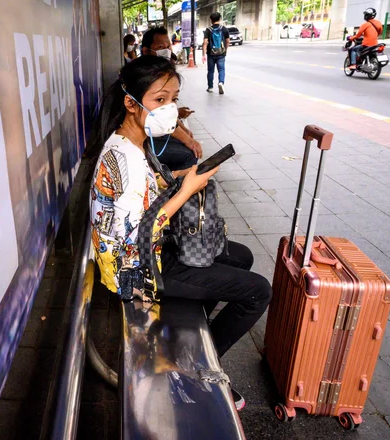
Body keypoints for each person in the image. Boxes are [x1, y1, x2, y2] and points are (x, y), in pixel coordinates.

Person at [86, 56, 272, 410]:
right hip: (138, 271)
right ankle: (197, 367)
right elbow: (137, 234)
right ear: (131, 102)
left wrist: (182, 176)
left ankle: (192, 343)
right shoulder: (122, 155)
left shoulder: (128, 141)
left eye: (173, 99)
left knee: (241, 257)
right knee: (258, 292)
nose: (170, 108)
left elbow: (145, 190)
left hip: (149, 252)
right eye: (160, 99)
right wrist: (187, 191)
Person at [141, 27, 202, 171]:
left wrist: (182, 128)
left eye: (168, 46)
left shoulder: (158, 71)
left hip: (151, 132)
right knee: (189, 154)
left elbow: (165, 110)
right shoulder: (144, 75)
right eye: (161, 47)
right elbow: (159, 115)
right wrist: (188, 140)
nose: (167, 51)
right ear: (145, 51)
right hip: (144, 138)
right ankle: (182, 188)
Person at [202, 12, 230, 94]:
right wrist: (225, 49)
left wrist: (203, 54)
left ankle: (210, 87)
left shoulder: (208, 30)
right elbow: (228, 41)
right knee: (221, 69)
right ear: (220, 19)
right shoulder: (224, 29)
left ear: (211, 20)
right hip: (221, 53)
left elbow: (205, 42)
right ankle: (221, 82)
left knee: (210, 71)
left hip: (211, 53)